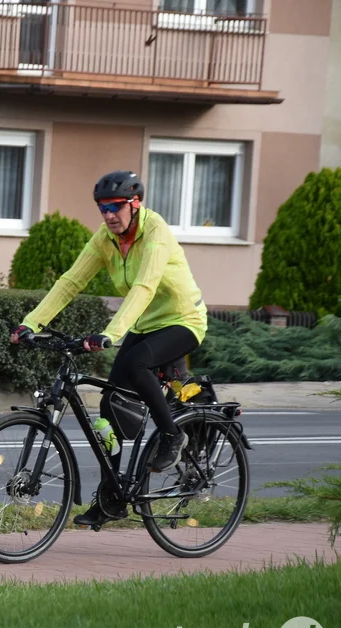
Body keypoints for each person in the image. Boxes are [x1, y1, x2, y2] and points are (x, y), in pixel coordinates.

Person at [11, 170, 208, 527]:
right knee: (108, 409)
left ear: (135, 204)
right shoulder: (105, 239)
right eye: (102, 209)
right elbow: (70, 282)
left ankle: (172, 434)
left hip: (183, 321)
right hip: (145, 325)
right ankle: (112, 498)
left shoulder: (156, 233)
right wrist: (31, 322)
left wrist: (111, 333)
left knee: (136, 365)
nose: (108, 215)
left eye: (115, 207)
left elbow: (145, 287)